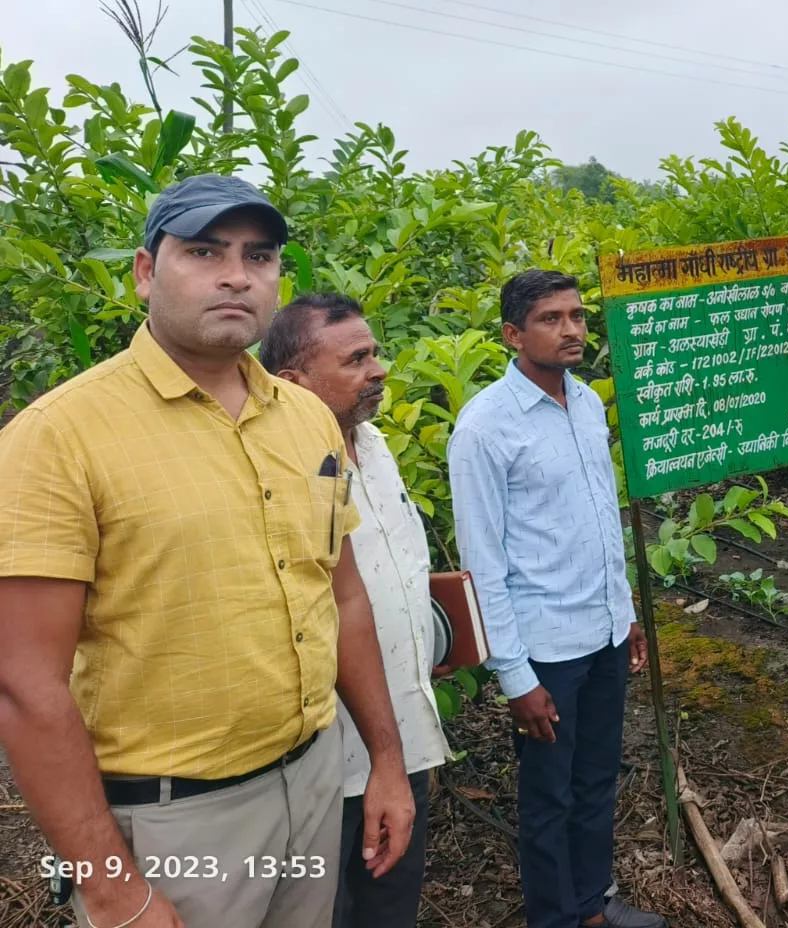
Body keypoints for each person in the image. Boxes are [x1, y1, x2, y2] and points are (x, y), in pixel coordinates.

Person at [0, 175, 413, 928]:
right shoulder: (57, 437)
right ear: (145, 272)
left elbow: (343, 595)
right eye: (202, 252)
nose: (235, 275)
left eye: (260, 256)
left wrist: (386, 761)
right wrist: (110, 886)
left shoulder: (307, 422)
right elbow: (26, 685)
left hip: (314, 781)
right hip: (174, 822)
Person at [447, 269, 663, 928]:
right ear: (514, 334)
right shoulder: (485, 427)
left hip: (600, 634)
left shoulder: (589, 403)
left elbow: (602, 519)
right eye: (551, 318)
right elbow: (484, 563)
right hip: (545, 651)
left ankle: (592, 905)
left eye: (576, 315)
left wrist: (624, 617)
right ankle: (555, 918)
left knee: (597, 781)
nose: (571, 329)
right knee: (549, 797)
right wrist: (516, 677)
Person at [262, 293, 452, 928]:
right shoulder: (274, 473)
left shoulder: (372, 444)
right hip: (324, 763)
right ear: (292, 382)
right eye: (356, 359)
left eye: (375, 353)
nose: (380, 370)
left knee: (388, 903)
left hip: (401, 732)